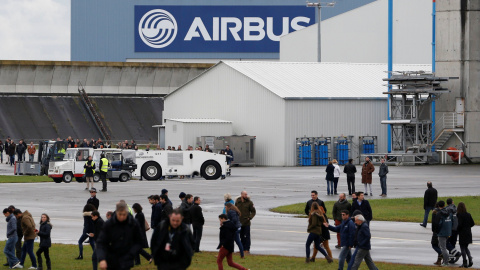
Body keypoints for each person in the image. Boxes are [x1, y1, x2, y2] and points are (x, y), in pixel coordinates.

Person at [96, 202, 143, 270]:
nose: (122, 217)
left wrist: (131, 253)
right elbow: (101, 242)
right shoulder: (109, 224)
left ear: (127, 213)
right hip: (111, 260)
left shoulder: (133, 224)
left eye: (124, 214)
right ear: (116, 212)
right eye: (120, 214)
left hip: (126, 259)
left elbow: (139, 241)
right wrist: (102, 259)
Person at [456, 202, 474, 268]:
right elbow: (472, 223)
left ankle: (464, 262)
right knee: (466, 247)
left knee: (462, 248)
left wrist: (457, 230)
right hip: (468, 232)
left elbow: (460, 224)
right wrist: (467, 226)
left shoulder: (459, 215)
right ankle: (470, 259)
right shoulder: (468, 214)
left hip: (462, 233)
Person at [436, 200, 453, 267]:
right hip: (448, 231)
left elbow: (438, 224)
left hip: (442, 232)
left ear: (438, 206)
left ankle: (446, 261)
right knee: (441, 246)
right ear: (444, 205)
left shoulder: (440, 213)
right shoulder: (449, 212)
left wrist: (437, 231)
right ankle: (447, 257)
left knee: (443, 248)